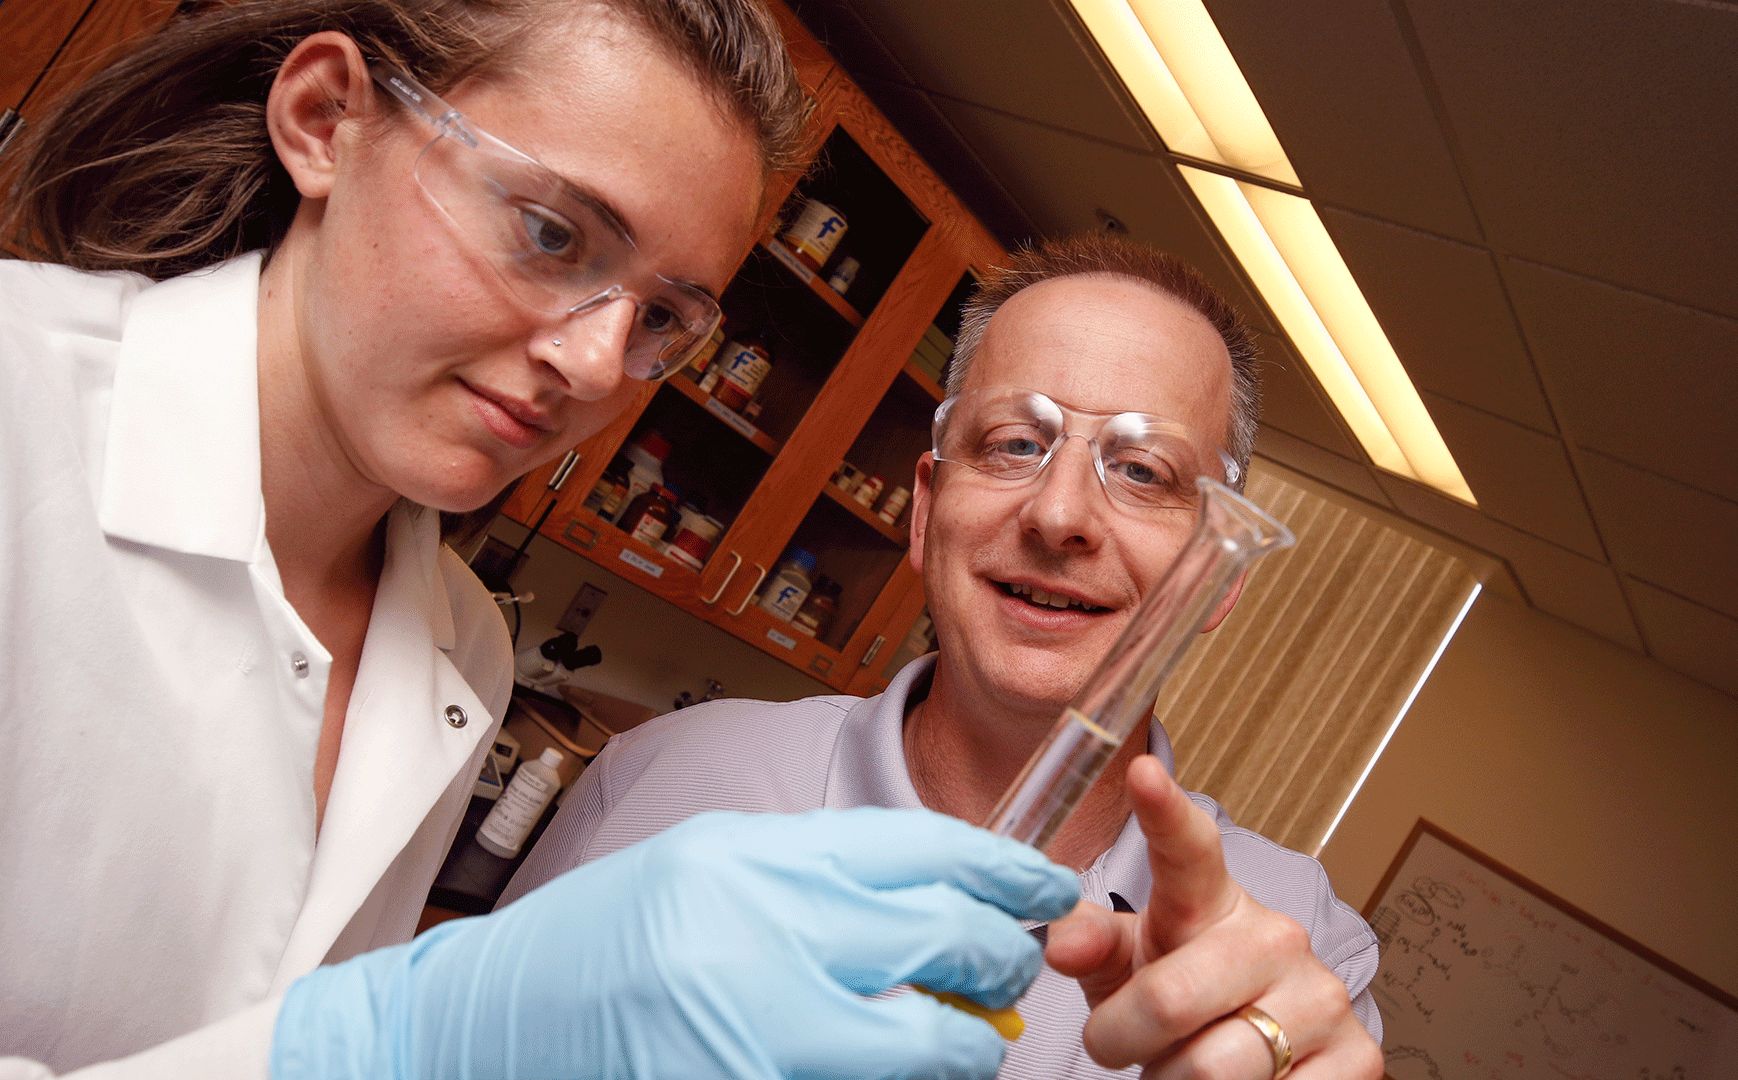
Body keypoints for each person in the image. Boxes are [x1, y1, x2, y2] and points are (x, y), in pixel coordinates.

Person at [0, 2, 1082, 1078]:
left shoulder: (459, 645)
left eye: (662, 317)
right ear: (327, 119)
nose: (600, 363)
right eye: (553, 234)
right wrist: (412, 1036)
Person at [506, 234, 1391, 1080]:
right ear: (926, 511)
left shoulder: (1299, 945)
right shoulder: (667, 775)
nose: (1059, 515)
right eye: (1015, 443)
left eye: (1144, 470)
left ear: (1216, 581)